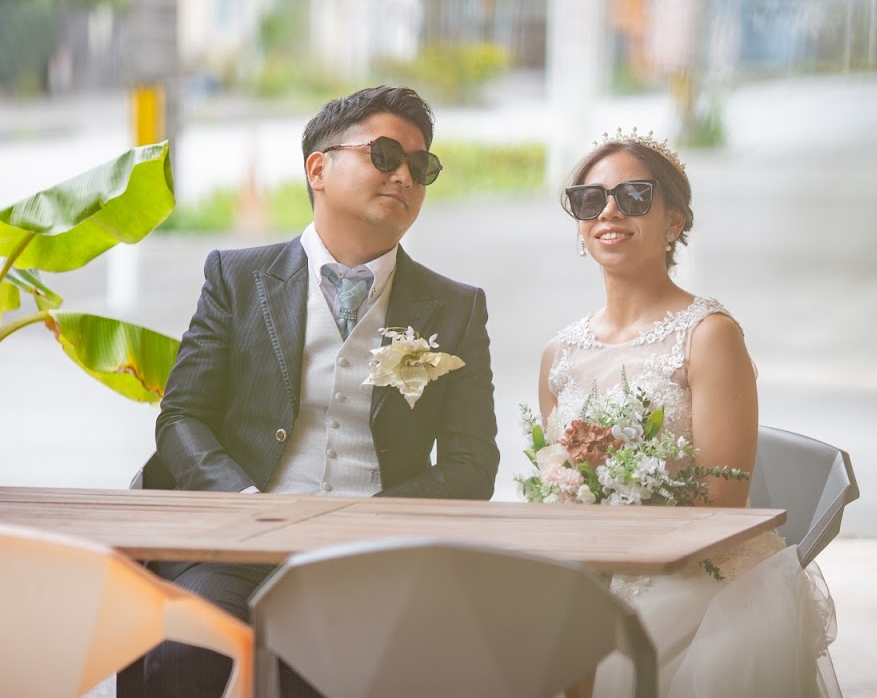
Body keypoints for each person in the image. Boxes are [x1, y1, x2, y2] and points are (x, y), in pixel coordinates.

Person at [134, 85, 500, 696]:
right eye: (384, 155)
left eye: (420, 164)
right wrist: (246, 500)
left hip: (378, 556)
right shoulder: (237, 277)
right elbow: (181, 417)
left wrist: (373, 519)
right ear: (318, 168)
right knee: (183, 648)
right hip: (242, 548)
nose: (405, 175)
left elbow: (472, 462)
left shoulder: (456, 307)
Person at [538, 130, 840, 697]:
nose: (608, 211)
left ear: (674, 221)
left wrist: (618, 510)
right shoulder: (559, 353)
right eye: (589, 199)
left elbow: (723, 500)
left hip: (698, 573)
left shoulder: (709, 336)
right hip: (591, 568)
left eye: (633, 197)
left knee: (609, 659)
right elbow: (555, 485)